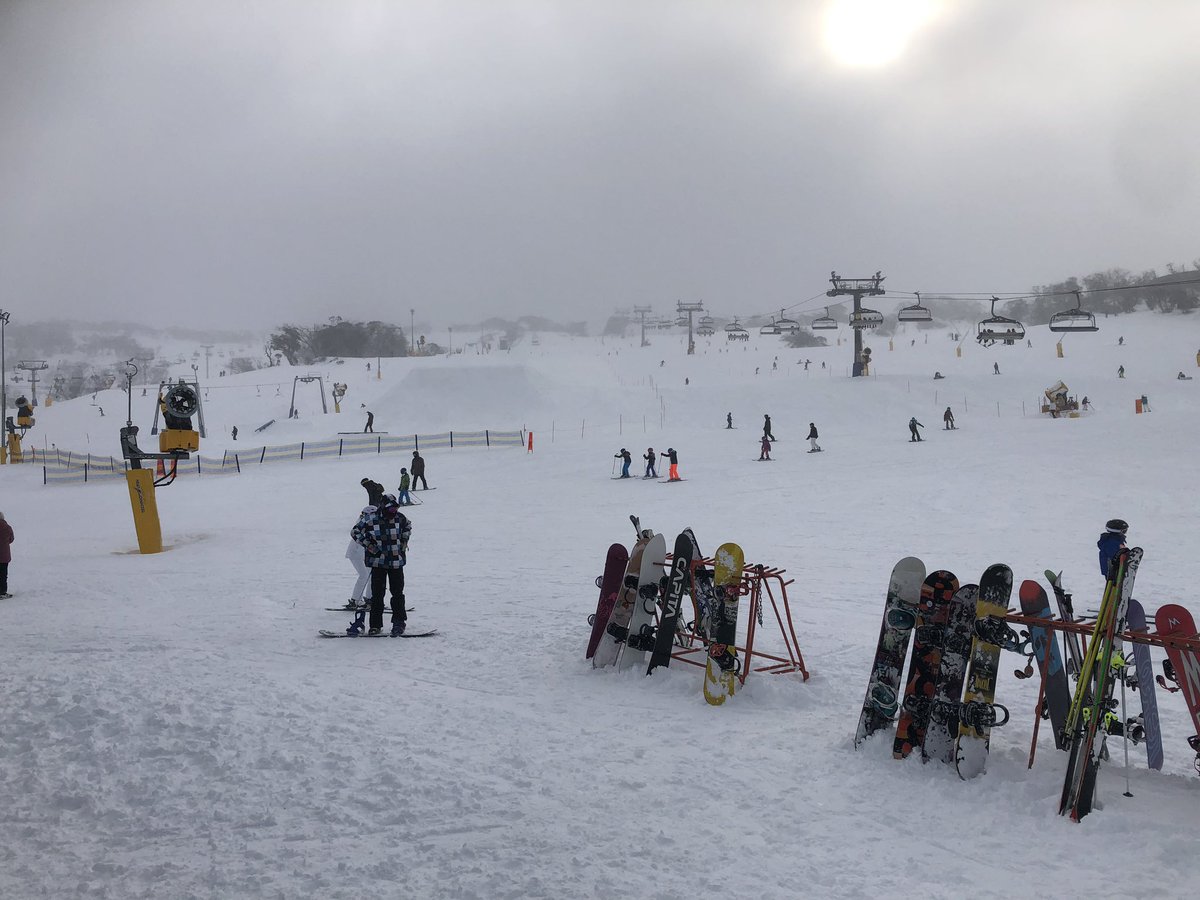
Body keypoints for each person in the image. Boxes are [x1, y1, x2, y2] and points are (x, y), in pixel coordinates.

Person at [351, 494, 412, 635]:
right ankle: (375, 625)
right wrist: (370, 546)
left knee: (397, 594)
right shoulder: (370, 519)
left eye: (396, 508)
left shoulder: (400, 518)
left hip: (396, 562)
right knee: (377, 595)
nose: (394, 512)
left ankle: (399, 623)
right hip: (378, 562)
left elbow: (408, 526)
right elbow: (355, 531)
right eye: (391, 509)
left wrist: (404, 540)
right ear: (384, 507)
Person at [0, 511, 13, 599]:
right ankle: (2, 592)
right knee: (3, 574)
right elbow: (11, 539)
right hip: (4, 555)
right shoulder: (7, 527)